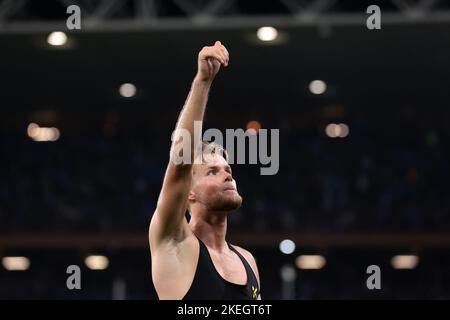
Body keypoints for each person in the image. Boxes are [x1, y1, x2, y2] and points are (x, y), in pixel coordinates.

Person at [149, 41, 261, 300]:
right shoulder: (174, 242)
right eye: (212, 171)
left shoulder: (248, 261)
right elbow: (180, 161)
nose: (227, 174)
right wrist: (203, 81)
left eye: (227, 169)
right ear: (188, 193)